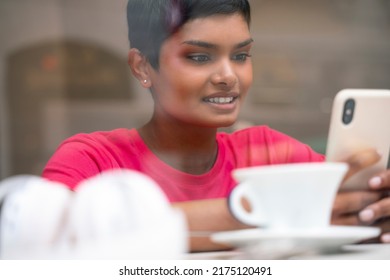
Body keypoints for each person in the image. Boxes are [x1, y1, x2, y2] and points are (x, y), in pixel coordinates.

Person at [42, 0, 390, 251]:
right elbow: (50, 240)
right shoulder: (94, 160)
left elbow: (343, 217)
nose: (228, 76)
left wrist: (372, 212)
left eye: (240, 56)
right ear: (142, 66)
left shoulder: (269, 152)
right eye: (199, 57)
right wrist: (266, 212)